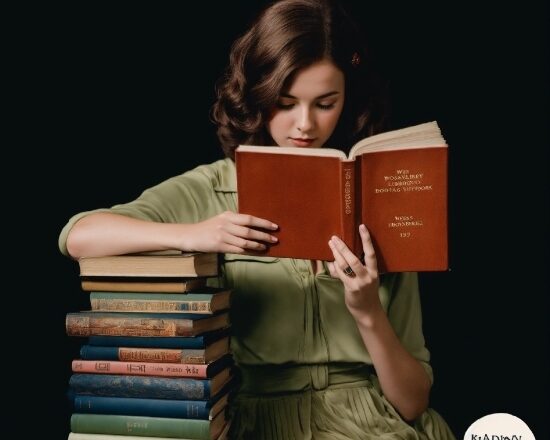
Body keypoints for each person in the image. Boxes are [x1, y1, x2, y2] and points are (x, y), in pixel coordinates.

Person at [59, 0, 456, 438]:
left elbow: (412, 401)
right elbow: (80, 236)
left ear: (349, 98)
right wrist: (196, 233)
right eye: (285, 103)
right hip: (262, 421)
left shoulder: (375, 197)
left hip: (372, 421)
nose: (304, 125)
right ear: (258, 96)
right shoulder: (214, 187)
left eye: (326, 103)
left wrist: (366, 313)